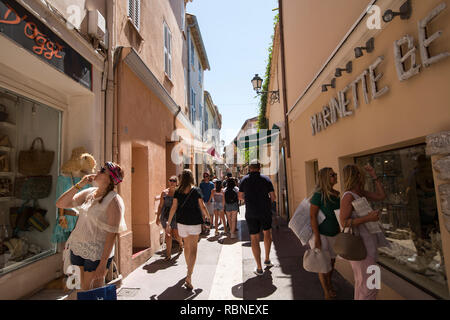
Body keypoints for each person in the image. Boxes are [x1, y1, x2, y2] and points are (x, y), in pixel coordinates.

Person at [56, 162, 126, 294]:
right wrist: (80, 185)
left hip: (96, 253)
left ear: (110, 179)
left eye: (102, 170)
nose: (98, 171)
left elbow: (112, 235)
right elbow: (61, 203)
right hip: (77, 248)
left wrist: (103, 264)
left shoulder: (114, 201)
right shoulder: (89, 193)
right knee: (81, 289)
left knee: (93, 291)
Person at [340, 164, 386, 300]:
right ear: (357, 176)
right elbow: (344, 222)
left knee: (363, 284)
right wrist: (368, 218)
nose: (364, 176)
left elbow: (381, 196)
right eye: (362, 174)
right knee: (371, 285)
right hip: (360, 246)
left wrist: (374, 175)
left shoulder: (360, 193)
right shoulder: (348, 196)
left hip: (367, 244)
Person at [166, 169, 210, 290]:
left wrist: (168, 223)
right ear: (191, 178)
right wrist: (208, 217)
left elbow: (173, 207)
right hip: (194, 222)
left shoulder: (178, 191)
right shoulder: (196, 190)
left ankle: (188, 268)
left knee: (186, 246)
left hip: (182, 223)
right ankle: (189, 275)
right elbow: (202, 206)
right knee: (194, 248)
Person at [239, 161, 276, 276]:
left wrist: (249, 200)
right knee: (267, 233)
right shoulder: (266, 179)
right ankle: (267, 259)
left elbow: (240, 196)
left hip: (251, 212)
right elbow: (273, 197)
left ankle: (259, 267)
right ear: (260, 168)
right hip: (265, 211)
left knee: (254, 237)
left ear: (249, 168)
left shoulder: (244, 180)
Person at [309, 167, 341, 300]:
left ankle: (329, 283)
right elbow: (312, 217)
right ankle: (326, 291)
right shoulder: (318, 195)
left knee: (332, 263)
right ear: (325, 178)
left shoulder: (337, 194)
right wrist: (317, 237)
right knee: (323, 264)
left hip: (335, 233)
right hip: (321, 234)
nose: (335, 176)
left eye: (334, 174)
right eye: (332, 175)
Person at [156, 176, 183, 260]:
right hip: (165, 215)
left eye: (174, 181)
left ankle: (181, 244)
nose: (172, 182)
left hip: (175, 215)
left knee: (176, 234)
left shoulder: (179, 193)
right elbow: (160, 206)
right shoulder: (164, 193)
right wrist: (157, 217)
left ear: (177, 183)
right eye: (170, 180)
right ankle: (168, 255)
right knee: (168, 234)